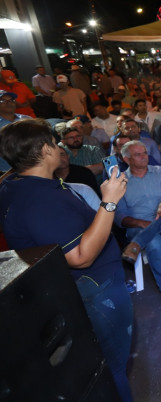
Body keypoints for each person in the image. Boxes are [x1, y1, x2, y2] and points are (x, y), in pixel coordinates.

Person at [0, 119, 133, 401]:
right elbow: (81, 257)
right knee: (114, 365)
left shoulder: (15, 183)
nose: (59, 147)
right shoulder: (41, 201)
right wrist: (109, 202)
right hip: (95, 288)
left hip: (77, 288)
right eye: (54, 142)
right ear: (45, 151)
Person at [117, 140, 161, 314]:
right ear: (127, 159)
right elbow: (120, 218)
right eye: (138, 154)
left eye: (145, 153)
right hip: (137, 226)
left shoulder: (159, 171)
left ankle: (137, 244)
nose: (144, 157)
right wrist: (142, 224)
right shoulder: (120, 182)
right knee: (154, 242)